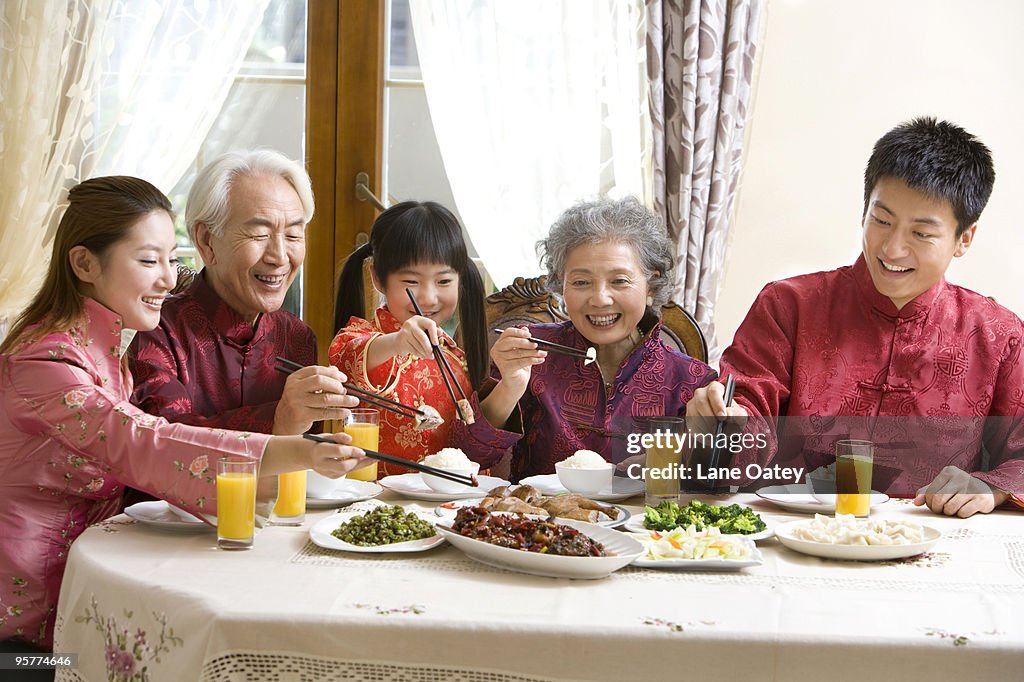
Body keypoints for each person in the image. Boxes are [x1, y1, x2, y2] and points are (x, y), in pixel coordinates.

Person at [0, 177, 368, 651]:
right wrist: (295, 449)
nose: (169, 279)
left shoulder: (101, 350)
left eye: (172, 261)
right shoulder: (46, 362)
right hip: (24, 623)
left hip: (93, 590)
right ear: (84, 262)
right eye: (149, 260)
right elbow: (143, 441)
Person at [687, 117, 1024, 517]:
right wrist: (722, 427)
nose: (893, 249)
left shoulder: (998, 334)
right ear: (864, 210)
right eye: (881, 221)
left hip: (930, 540)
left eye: (921, 234)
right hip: (794, 533)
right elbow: (746, 417)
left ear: (963, 239)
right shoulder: (789, 306)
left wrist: (991, 486)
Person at [451, 196, 717, 481]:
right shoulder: (530, 352)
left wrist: (703, 445)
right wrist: (510, 386)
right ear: (560, 285)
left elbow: (721, 481)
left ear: (651, 285)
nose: (600, 299)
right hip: (543, 521)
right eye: (581, 282)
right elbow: (467, 456)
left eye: (619, 281)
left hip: (644, 525)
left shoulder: (692, 379)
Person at [129, 150, 356, 435]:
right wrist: (278, 419)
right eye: (260, 234)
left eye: (293, 235)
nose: (280, 256)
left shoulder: (296, 338)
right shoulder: (156, 331)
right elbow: (161, 443)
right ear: (206, 241)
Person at [329, 201, 489, 475]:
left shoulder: (456, 355)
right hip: (377, 503)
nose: (428, 297)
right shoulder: (362, 336)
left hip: (452, 505)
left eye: (444, 282)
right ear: (378, 278)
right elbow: (348, 358)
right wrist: (397, 342)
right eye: (411, 282)